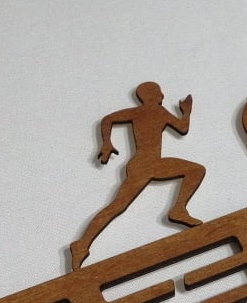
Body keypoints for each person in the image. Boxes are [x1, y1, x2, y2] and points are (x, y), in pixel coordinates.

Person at [70, 82, 205, 270]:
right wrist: (106, 143)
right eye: (159, 92)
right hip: (144, 165)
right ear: (151, 95)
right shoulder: (144, 112)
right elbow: (108, 119)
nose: (162, 95)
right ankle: (81, 245)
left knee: (195, 170)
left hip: (152, 164)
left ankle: (179, 210)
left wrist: (186, 112)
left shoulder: (156, 112)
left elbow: (181, 128)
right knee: (117, 206)